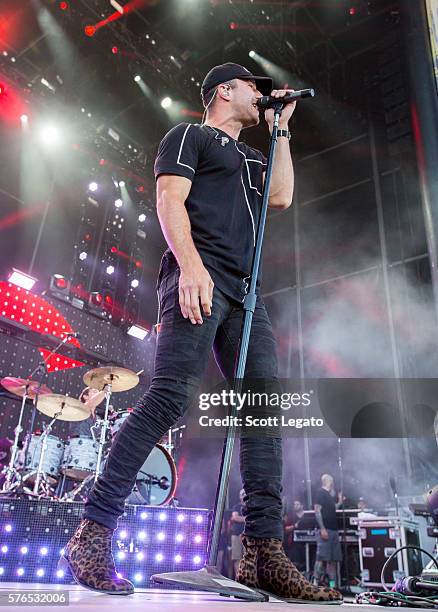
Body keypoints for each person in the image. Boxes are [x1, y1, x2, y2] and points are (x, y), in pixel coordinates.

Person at [61, 62, 341, 603]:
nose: (261, 95)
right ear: (223, 92)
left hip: (245, 290)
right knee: (168, 399)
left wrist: (282, 128)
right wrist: (190, 266)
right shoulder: (188, 134)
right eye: (252, 88)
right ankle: (92, 534)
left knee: (263, 411)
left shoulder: (255, 156)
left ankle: (262, 553)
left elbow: (280, 198)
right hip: (198, 271)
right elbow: (169, 200)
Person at [313, 474, 343, 589]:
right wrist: (322, 528)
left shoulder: (329, 496)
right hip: (325, 530)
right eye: (331, 481)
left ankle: (332, 585)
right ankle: (315, 583)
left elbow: (333, 508)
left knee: (333, 559)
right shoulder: (320, 493)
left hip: (333, 530)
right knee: (322, 558)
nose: (332, 483)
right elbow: (317, 511)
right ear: (327, 481)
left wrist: (340, 501)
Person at [230, 488, 246, 578]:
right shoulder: (236, 507)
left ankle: (245, 579)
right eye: (242, 494)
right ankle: (238, 579)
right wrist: (246, 519)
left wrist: (242, 519)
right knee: (237, 558)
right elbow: (235, 517)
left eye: (245, 493)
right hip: (236, 536)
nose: (244, 495)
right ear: (240, 496)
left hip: (247, 536)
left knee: (247, 559)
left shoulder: (252, 507)